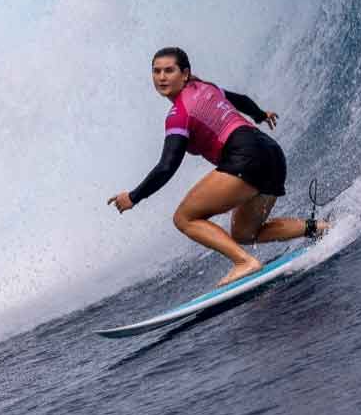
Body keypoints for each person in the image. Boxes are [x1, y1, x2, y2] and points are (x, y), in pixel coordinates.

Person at [107, 47, 328, 286]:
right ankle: (319, 227)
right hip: (272, 153)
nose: (161, 77)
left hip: (245, 157)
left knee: (184, 218)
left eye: (169, 70)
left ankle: (245, 263)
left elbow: (166, 166)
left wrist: (133, 197)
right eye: (156, 71)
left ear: (185, 74)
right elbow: (240, 100)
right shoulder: (206, 87)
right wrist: (260, 115)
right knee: (245, 233)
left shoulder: (179, 114)